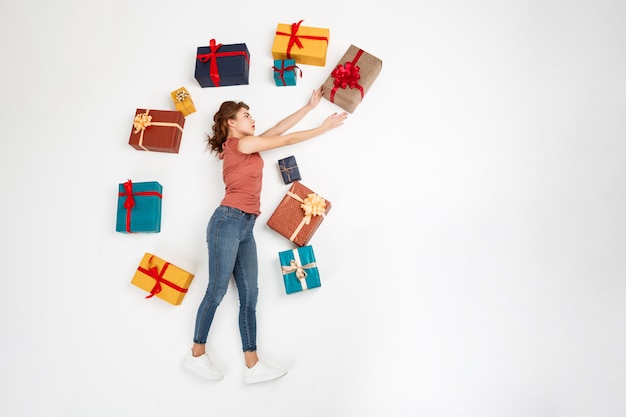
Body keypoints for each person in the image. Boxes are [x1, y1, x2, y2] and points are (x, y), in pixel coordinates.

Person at [183, 86, 348, 384]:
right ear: (231, 122)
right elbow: (286, 139)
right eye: (246, 116)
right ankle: (196, 354)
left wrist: (310, 108)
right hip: (227, 221)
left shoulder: (249, 144)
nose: (252, 120)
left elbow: (278, 129)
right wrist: (323, 128)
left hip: (245, 226)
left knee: (250, 295)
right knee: (217, 290)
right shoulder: (238, 146)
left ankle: (252, 364)